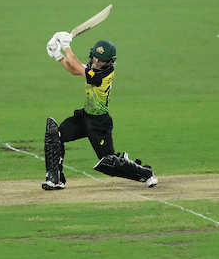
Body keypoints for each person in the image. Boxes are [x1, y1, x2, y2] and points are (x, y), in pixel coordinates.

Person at [42, 32, 157, 190]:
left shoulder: (101, 76)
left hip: (99, 124)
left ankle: (146, 173)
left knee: (108, 162)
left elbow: (76, 65)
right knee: (56, 134)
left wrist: (66, 46)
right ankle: (55, 180)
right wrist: (58, 55)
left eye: (101, 60)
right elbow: (75, 69)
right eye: (95, 57)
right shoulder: (95, 69)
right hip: (84, 118)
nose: (96, 62)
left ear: (110, 61)